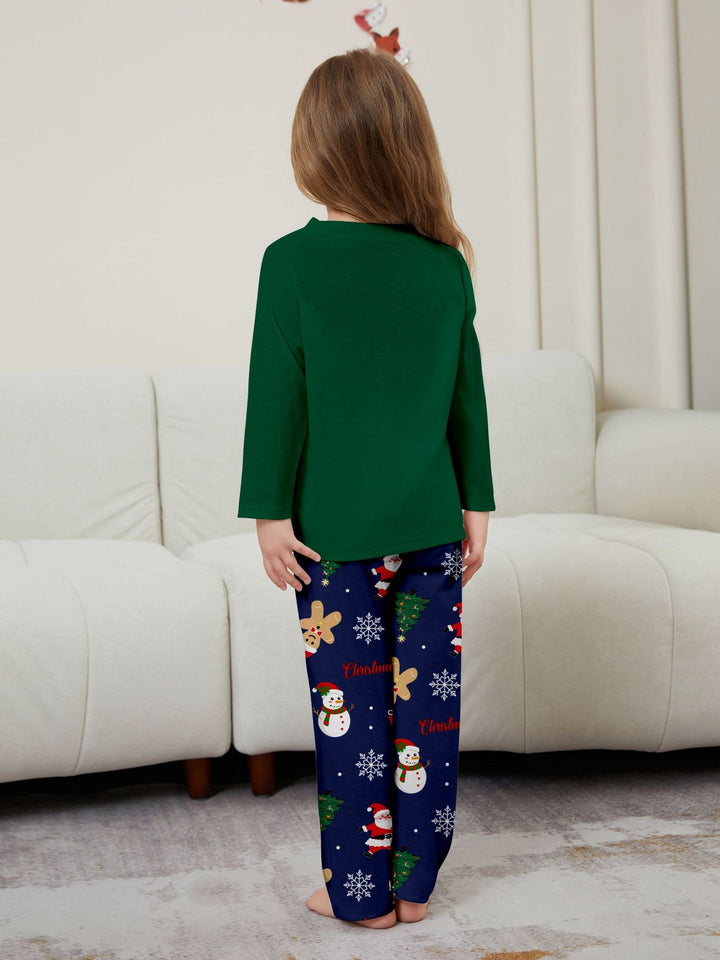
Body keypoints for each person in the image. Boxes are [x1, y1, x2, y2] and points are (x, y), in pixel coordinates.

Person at [237, 46, 495, 929]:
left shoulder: (290, 264)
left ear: (316, 150)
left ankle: (358, 896)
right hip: (432, 529)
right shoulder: (444, 263)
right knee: (429, 718)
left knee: (353, 722)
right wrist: (477, 503)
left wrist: (270, 513)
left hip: (331, 543)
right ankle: (415, 889)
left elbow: (277, 400)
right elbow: (467, 397)